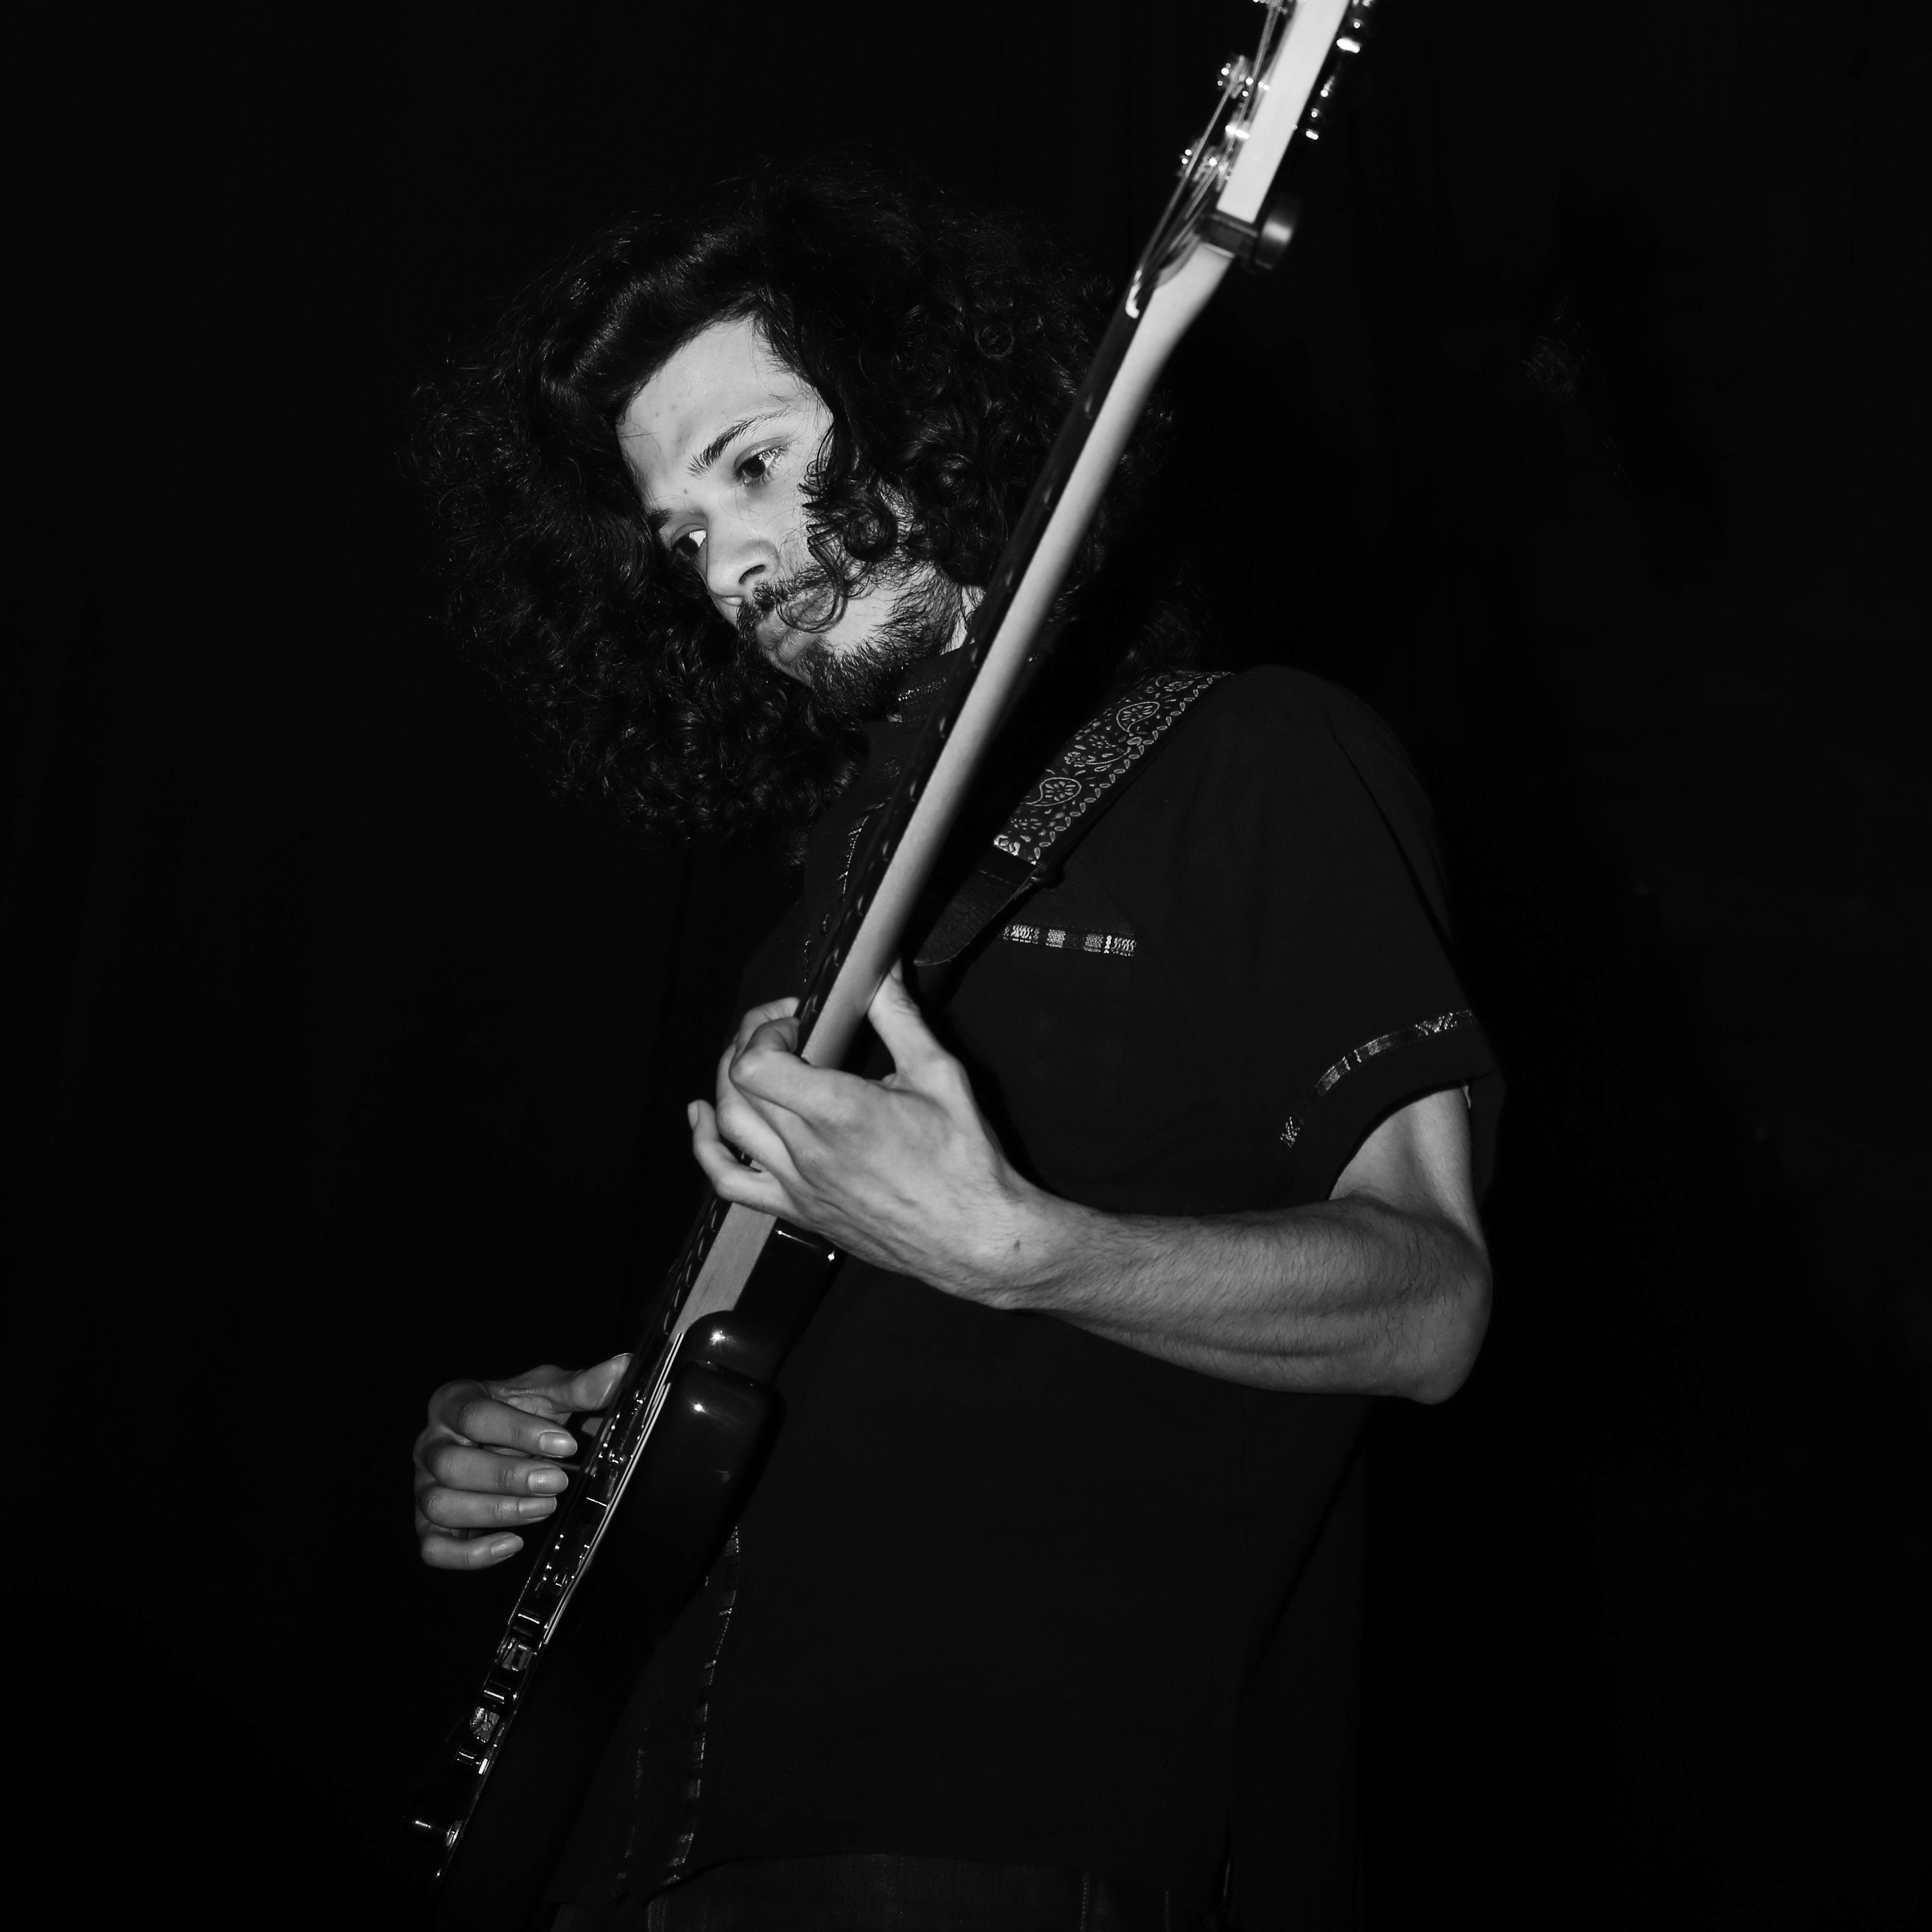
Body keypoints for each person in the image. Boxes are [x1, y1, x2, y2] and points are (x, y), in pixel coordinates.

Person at [410, 167, 1499, 1931]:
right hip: (647, 1837)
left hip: (995, 1833)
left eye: (753, 463)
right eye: (682, 537)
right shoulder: (824, 921)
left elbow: (1432, 1302)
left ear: (918, 402)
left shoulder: (1255, 764)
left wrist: (1021, 1248)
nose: (732, 565)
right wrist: (573, 1457)